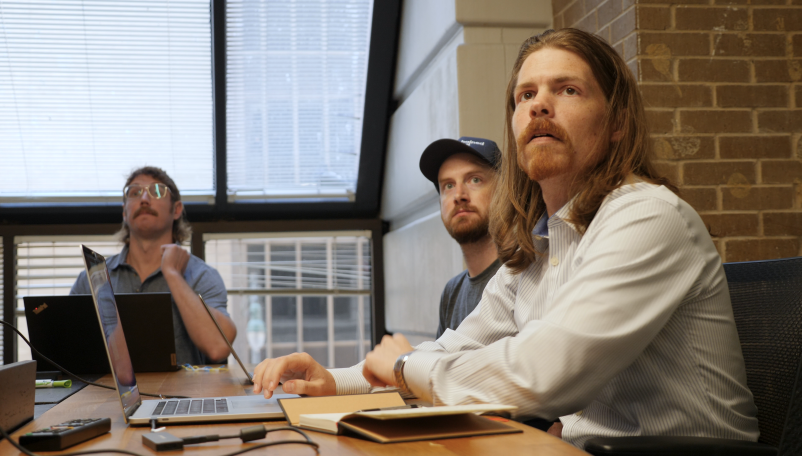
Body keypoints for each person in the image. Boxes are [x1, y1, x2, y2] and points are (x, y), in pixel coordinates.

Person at [251, 28, 759, 448]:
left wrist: (405, 367)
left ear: (617, 124)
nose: (540, 106)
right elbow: (459, 347)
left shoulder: (647, 214)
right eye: (526, 95)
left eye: (568, 90)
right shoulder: (541, 243)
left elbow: (540, 376)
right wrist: (333, 379)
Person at [71, 166, 237, 365]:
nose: (144, 199)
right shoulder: (92, 279)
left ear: (176, 210)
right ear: (124, 212)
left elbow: (218, 347)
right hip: (110, 396)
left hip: (182, 396)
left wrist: (172, 274)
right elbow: (68, 353)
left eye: (157, 192)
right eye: (135, 192)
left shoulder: (203, 276)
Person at [418, 137, 502, 338]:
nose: (459, 195)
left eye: (474, 180)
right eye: (448, 186)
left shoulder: (523, 275)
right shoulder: (452, 293)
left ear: (504, 191)